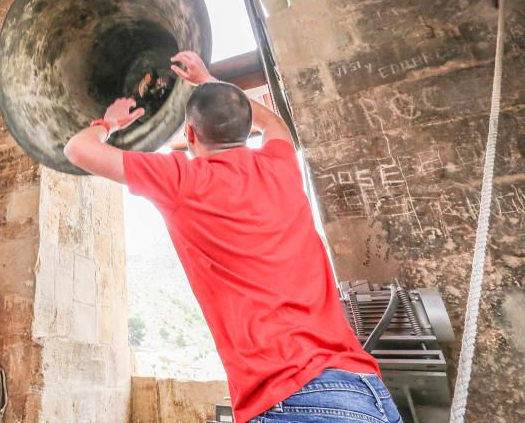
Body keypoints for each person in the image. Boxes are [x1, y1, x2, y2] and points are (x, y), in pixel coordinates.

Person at [64, 51, 401, 423]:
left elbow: (77, 149)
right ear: (244, 128)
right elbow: (275, 125)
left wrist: (108, 122)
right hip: (369, 392)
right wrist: (209, 80)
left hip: (294, 399)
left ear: (190, 134)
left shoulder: (183, 180)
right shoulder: (280, 166)